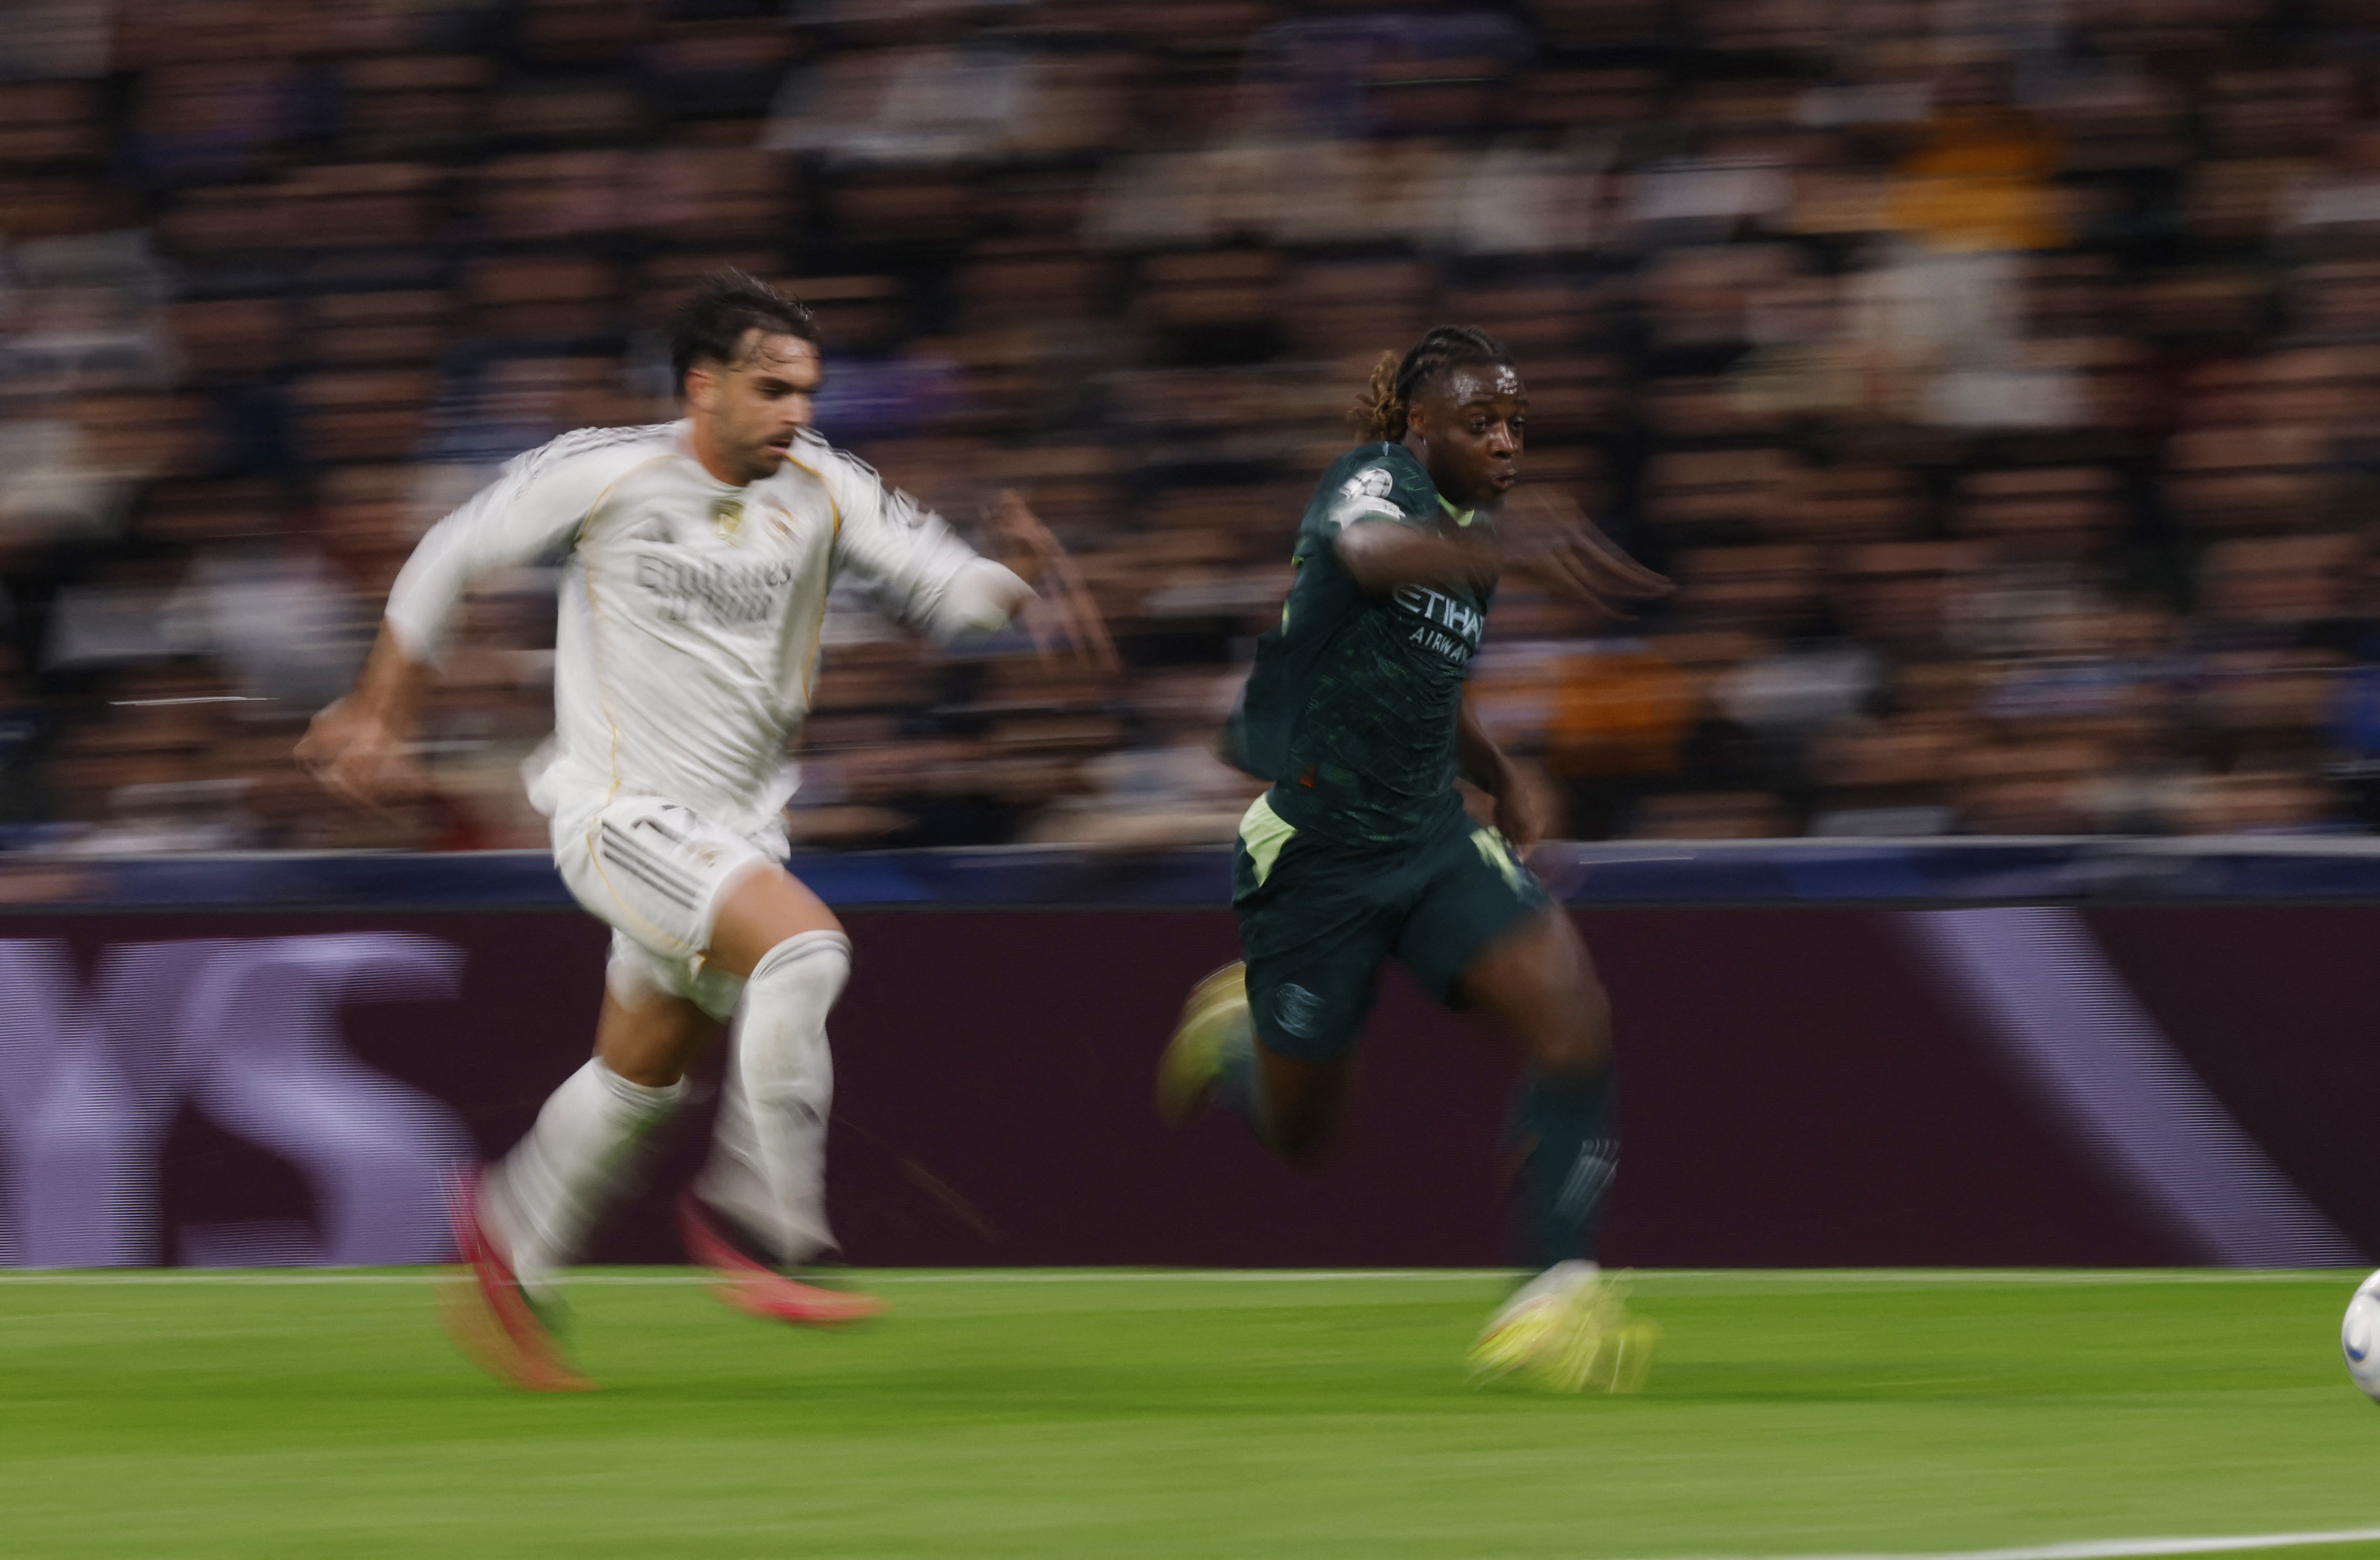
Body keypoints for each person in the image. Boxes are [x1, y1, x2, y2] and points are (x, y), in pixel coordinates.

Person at [300, 272, 1105, 1390]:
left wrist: (1018, 584)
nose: (796, 413)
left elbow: (944, 586)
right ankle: (758, 1220)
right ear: (703, 386)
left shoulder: (826, 488)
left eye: (807, 392)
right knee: (806, 951)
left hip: (733, 832)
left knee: (641, 1079)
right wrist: (383, 705)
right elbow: (451, 551)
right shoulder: (607, 471)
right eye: (773, 390)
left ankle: (508, 1236)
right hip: (618, 815)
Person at [1155, 325, 1671, 1392]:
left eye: (1517, 423)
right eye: (1481, 421)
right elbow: (1369, 559)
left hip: (1430, 833)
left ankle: (1553, 1291)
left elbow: (1427, 675)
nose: (1506, 441)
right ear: (1418, 424)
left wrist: (1500, 769)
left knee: (1573, 1019)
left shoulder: (1467, 538)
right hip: (1315, 850)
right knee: (1305, 1134)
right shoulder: (1372, 485)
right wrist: (1514, 550)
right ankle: (1237, 1035)